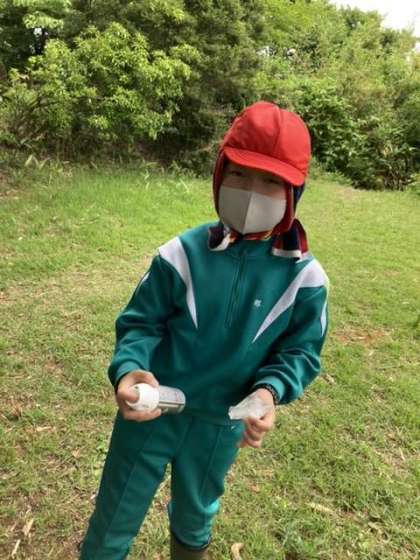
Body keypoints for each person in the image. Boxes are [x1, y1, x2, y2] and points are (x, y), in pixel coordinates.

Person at [79, 101, 329, 560]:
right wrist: (129, 369)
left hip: (220, 425)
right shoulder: (179, 254)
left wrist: (269, 391)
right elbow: (140, 322)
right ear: (219, 174)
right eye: (239, 175)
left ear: (295, 191)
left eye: (271, 182)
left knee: (196, 516)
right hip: (153, 410)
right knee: (115, 512)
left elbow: (301, 351)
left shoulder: (305, 279)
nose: (251, 193)